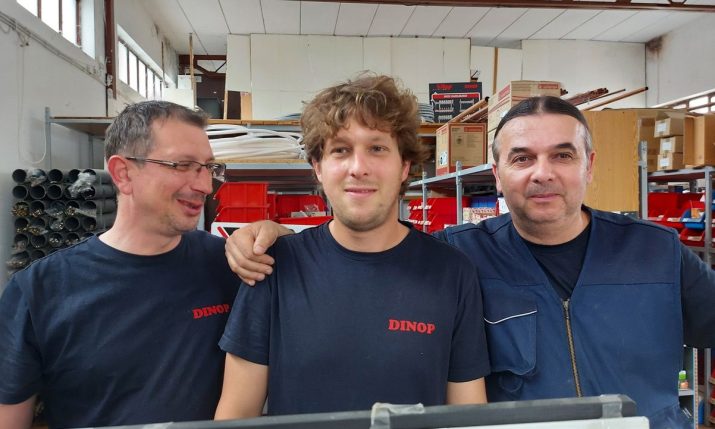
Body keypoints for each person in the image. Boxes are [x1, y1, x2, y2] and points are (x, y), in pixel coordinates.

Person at [223, 95, 715, 429]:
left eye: (563, 156)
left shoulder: (658, 252)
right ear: (497, 174)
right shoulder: (461, 255)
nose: (542, 173)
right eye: (522, 158)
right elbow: (368, 246)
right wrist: (277, 237)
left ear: (590, 165)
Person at [214, 74, 489, 419]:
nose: (359, 168)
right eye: (341, 150)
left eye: (377, 148)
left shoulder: (452, 272)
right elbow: (236, 413)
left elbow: (469, 415)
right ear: (318, 167)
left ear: (404, 166)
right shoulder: (273, 268)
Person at [0, 101, 240, 428]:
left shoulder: (228, 265)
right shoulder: (40, 290)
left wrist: (271, 231)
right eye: (182, 165)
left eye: (208, 167)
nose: (205, 186)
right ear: (123, 173)